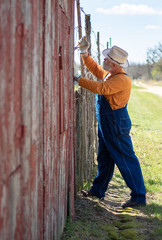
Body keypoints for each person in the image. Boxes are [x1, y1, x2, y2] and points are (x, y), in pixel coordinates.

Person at [74, 36, 146, 208]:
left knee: (125, 157)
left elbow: (101, 89)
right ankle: (98, 190)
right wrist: (84, 54)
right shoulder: (110, 73)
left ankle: (139, 196)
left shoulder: (121, 79)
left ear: (114, 65)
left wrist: (78, 79)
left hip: (115, 122)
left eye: (106, 59)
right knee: (104, 157)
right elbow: (96, 68)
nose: (103, 60)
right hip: (108, 122)